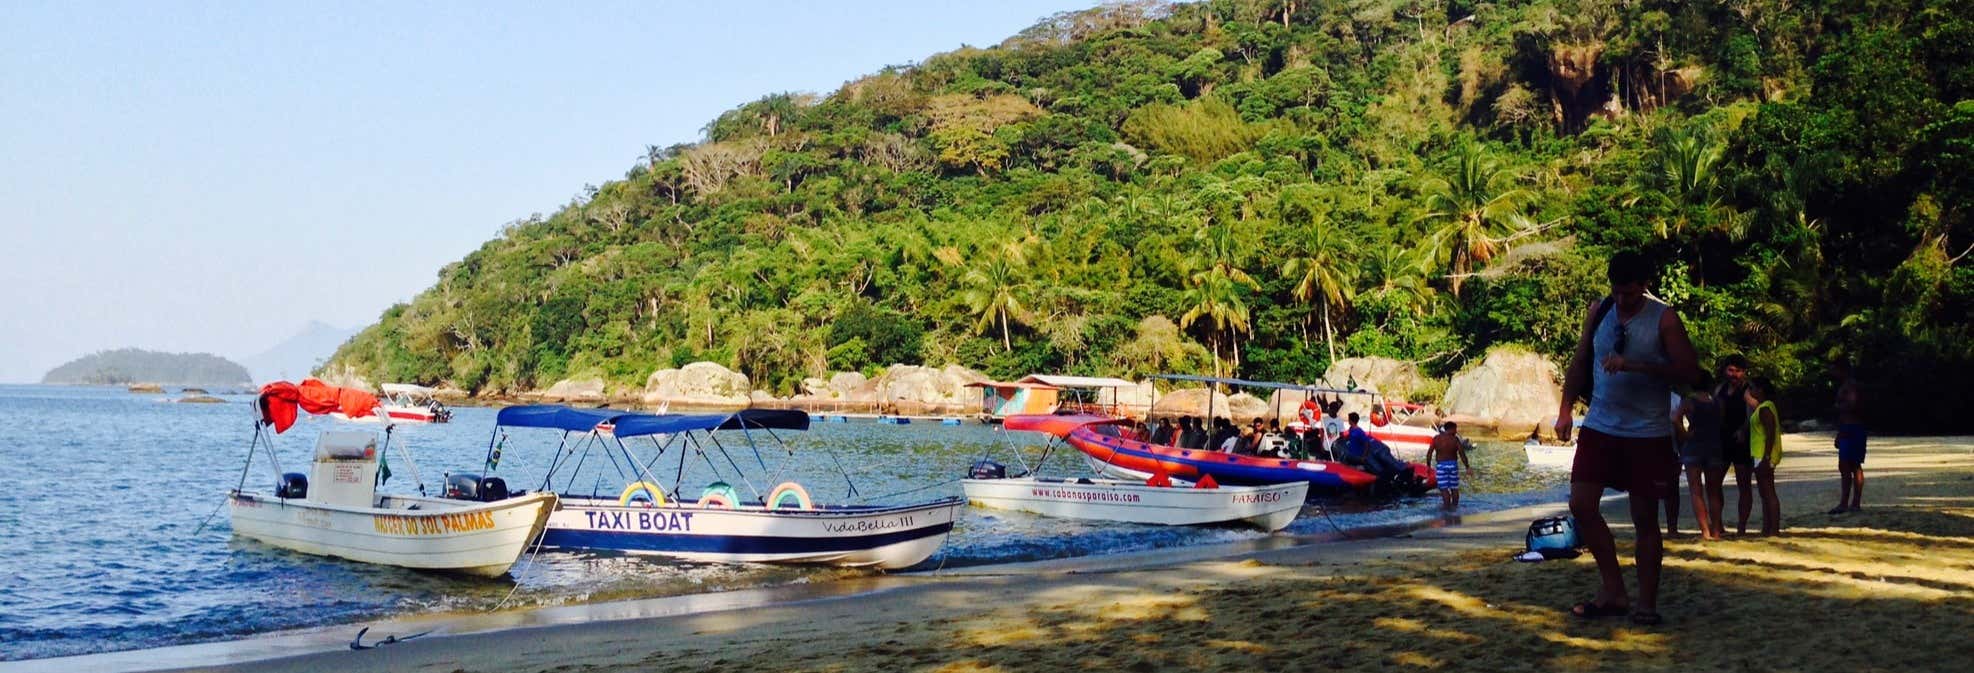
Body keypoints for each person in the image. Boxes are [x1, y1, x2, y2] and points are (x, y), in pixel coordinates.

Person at [1556, 250, 1700, 627]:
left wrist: (1635, 364)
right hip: (1600, 424)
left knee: (1645, 519)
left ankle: (1646, 604)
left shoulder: (1663, 318)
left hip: (1647, 432)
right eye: (1617, 293)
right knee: (1581, 504)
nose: (1622, 301)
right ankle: (1614, 590)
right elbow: (1581, 359)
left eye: (1630, 295)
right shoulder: (1600, 310)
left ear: (1645, 286)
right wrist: (1565, 408)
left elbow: (1689, 369)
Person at [1673, 373, 1725, 540]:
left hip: (1694, 446)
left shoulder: (1689, 401)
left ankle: (1705, 531)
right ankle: (1716, 530)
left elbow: (1675, 419)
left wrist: (1685, 435)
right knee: (1714, 491)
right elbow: (1721, 422)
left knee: (1696, 491)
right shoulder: (1717, 401)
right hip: (1715, 445)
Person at [1715, 355, 1756, 534]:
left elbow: (1755, 412)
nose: (1734, 374)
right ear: (1725, 371)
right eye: (1731, 370)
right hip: (1722, 440)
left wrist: (1744, 430)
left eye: (1738, 371)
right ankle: (1718, 524)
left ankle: (1741, 526)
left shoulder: (1749, 389)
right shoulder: (1720, 389)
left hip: (1743, 441)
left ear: (1744, 372)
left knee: (1744, 484)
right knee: (1715, 483)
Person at [1746, 378, 1783, 536]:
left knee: (1768, 492)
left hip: (1763, 454)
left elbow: (1770, 433)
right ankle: (1767, 527)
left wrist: (1767, 457)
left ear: (1760, 390)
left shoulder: (1765, 408)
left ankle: (1773, 529)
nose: (1751, 390)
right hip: (1760, 453)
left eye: (1753, 387)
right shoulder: (1764, 406)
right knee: (1765, 492)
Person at [1831, 359, 1867, 514]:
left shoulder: (1850, 386)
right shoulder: (1848, 386)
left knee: (1850, 465)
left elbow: (1852, 405)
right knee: (1847, 465)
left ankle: (1852, 503)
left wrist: (1839, 405)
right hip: (1849, 427)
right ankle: (1849, 502)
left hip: (1853, 428)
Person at [1428, 422, 1476, 510]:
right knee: (1454, 488)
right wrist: (1467, 467)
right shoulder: (1455, 439)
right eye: (1455, 429)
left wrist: (1428, 466)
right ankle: (1454, 508)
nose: (1456, 431)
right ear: (1451, 429)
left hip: (1441, 466)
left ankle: (1447, 510)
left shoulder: (1436, 439)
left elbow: (1429, 453)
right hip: (1453, 466)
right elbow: (1462, 454)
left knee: (1444, 489)